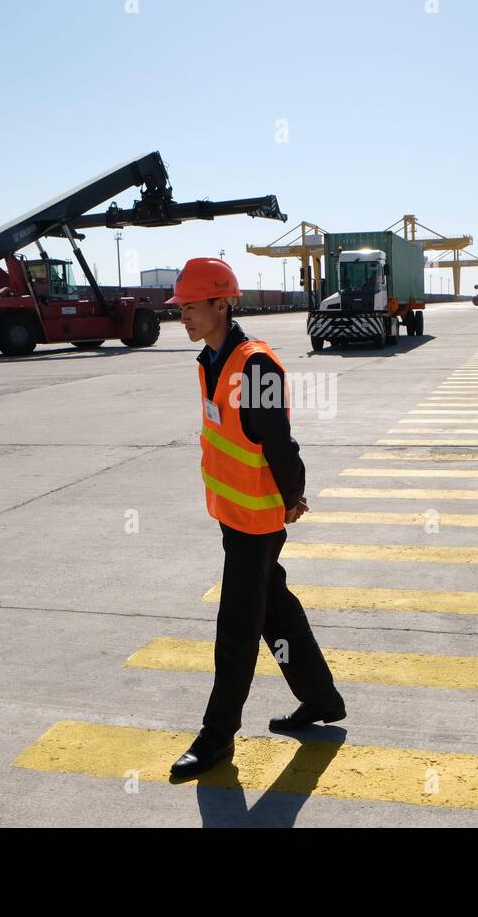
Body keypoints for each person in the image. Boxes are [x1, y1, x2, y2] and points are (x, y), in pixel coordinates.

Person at [165, 257, 345, 779]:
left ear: (221, 303)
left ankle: (217, 736)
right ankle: (322, 700)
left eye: (192, 307)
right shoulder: (210, 361)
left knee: (237, 627)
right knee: (276, 611)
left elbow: (279, 442)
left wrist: (293, 497)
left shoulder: (255, 365)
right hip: (233, 514)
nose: (185, 317)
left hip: (259, 520)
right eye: (182, 309)